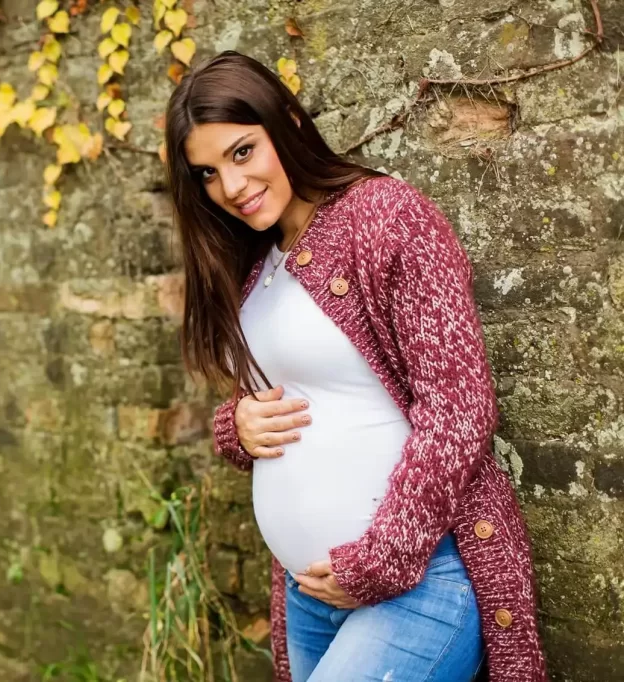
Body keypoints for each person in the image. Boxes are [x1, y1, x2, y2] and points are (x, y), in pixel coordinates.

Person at [163, 51, 547, 682]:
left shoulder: (385, 217)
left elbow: (459, 409)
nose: (231, 186)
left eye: (242, 152)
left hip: (418, 582)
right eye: (207, 172)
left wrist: (382, 560)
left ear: (287, 122)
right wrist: (237, 427)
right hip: (307, 595)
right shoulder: (253, 259)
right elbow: (299, 393)